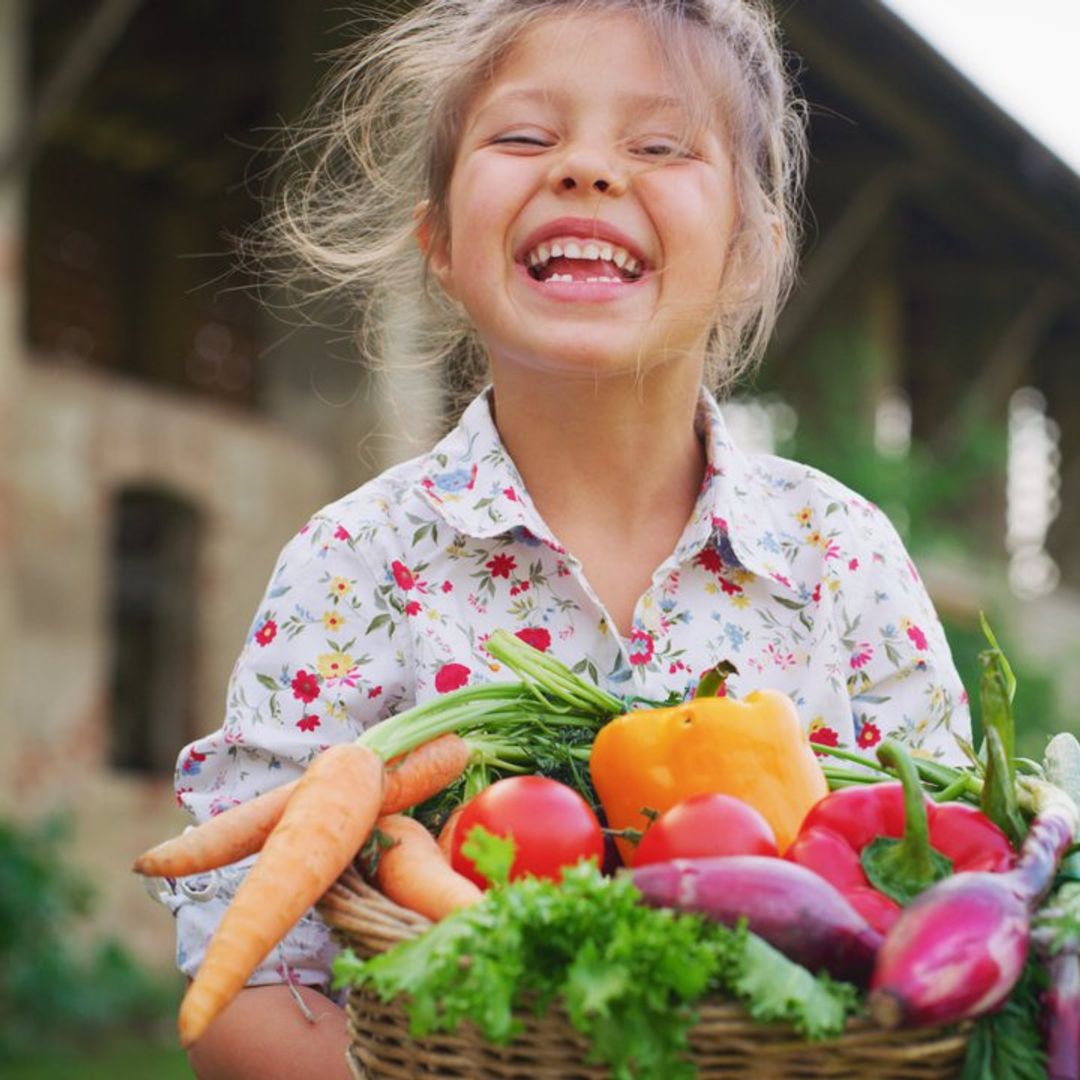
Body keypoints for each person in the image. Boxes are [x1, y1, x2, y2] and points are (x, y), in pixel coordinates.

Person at [168, 1, 972, 1075]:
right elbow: (245, 981)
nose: (588, 170)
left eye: (659, 145)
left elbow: (954, 909)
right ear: (441, 244)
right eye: (524, 137)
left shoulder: (844, 560)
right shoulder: (354, 564)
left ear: (749, 253)